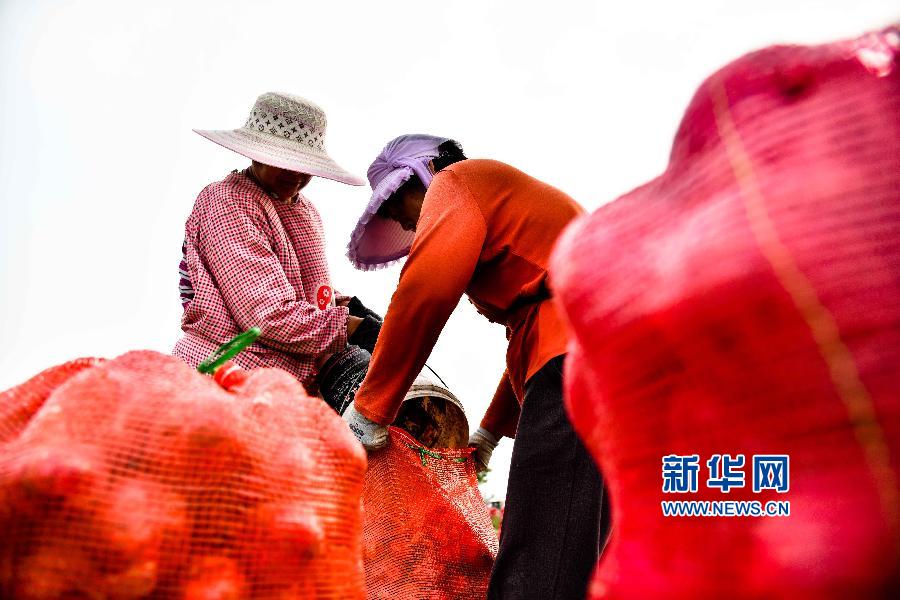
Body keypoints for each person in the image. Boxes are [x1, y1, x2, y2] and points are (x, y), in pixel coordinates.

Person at [343, 134, 606, 599]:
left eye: (395, 203)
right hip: (611, 373)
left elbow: (425, 292)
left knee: (539, 554)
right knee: (572, 555)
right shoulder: (513, 224)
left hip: (583, 370)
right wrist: (487, 433)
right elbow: (535, 336)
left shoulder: (459, 181)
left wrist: (370, 409)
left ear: (421, 177)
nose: (399, 220)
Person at [173, 92, 374, 395]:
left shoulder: (305, 210)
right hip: (231, 376)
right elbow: (265, 315)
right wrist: (353, 328)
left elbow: (298, 287)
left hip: (295, 385)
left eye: (304, 165)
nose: (296, 175)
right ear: (254, 153)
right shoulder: (228, 202)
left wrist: (346, 306)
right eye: (284, 162)